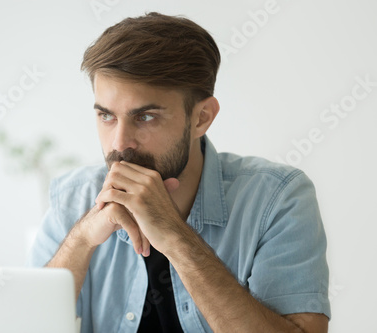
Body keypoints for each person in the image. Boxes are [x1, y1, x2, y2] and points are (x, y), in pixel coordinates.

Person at [27, 12, 330, 333]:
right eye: (106, 116)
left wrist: (175, 235)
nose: (119, 143)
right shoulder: (73, 198)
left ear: (201, 117)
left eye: (145, 117)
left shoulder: (277, 198)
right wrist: (82, 240)